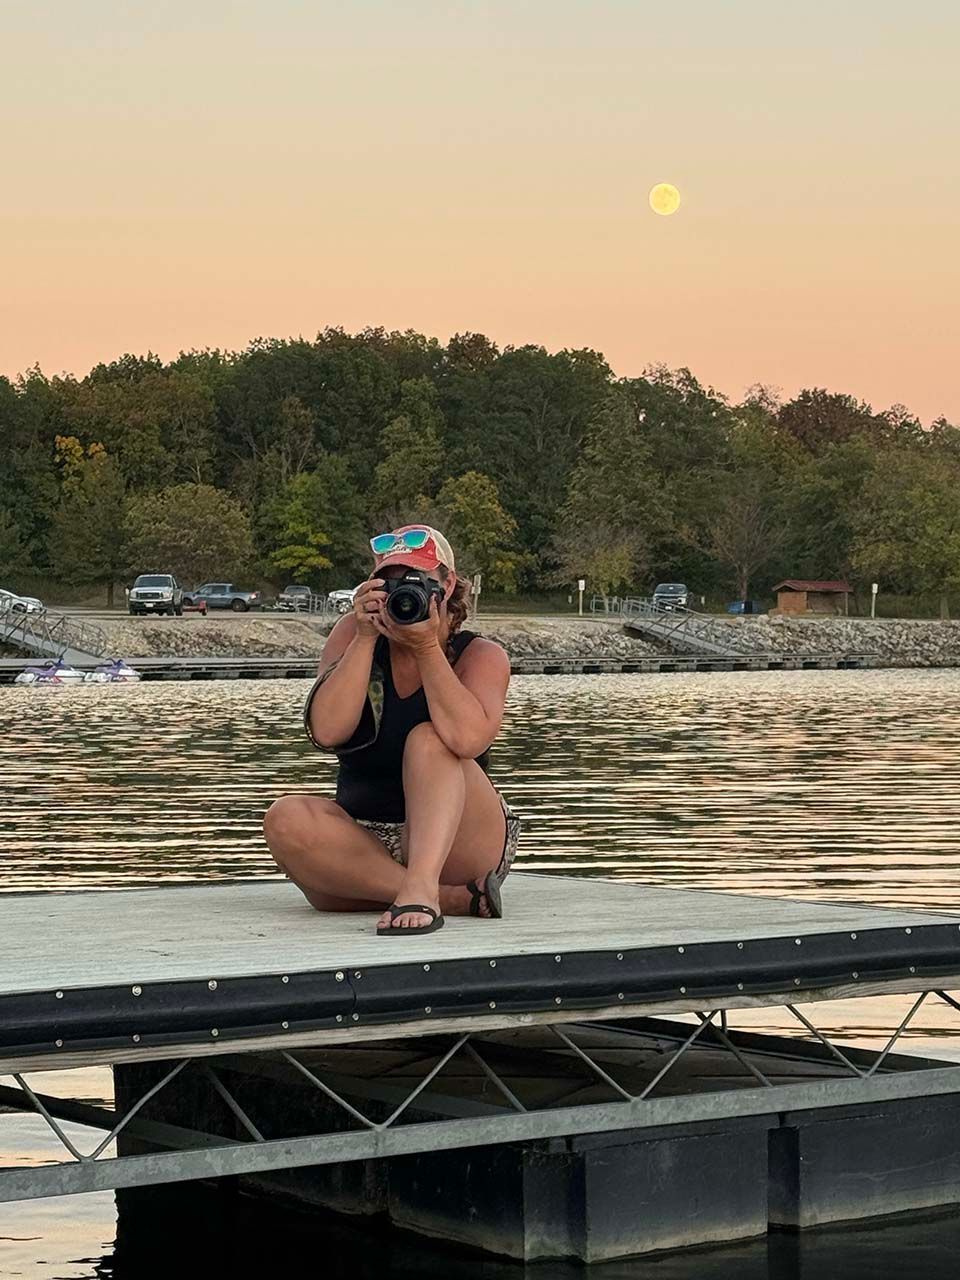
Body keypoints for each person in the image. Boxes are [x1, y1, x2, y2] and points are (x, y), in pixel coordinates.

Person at [264, 525, 520, 936]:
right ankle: (448, 896)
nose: (403, 594)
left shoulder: (481, 655)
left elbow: (468, 739)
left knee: (430, 740)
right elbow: (327, 731)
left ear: (447, 584)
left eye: (416, 583)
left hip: (460, 839)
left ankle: (421, 885)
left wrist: (426, 648)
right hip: (364, 841)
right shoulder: (352, 635)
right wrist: (364, 639)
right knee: (285, 818)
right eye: (391, 582)